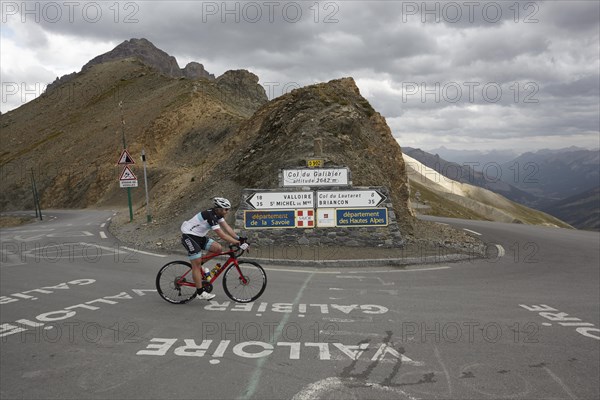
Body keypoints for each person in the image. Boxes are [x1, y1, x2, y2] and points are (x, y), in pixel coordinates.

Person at [181, 197, 248, 300]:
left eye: (228, 209)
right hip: (189, 236)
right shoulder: (210, 216)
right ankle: (200, 292)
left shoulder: (218, 215)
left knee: (217, 248)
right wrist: (238, 243)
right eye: (225, 209)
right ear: (218, 209)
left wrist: (239, 238)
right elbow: (222, 235)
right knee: (196, 264)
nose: (227, 211)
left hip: (199, 236)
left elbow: (227, 228)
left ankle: (200, 267)